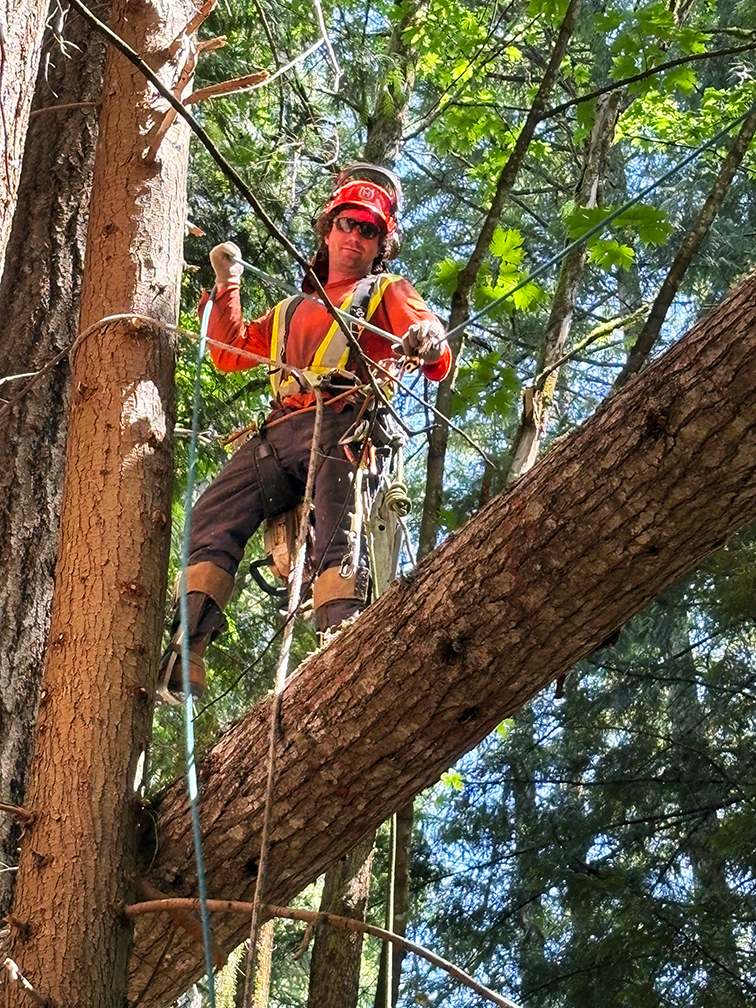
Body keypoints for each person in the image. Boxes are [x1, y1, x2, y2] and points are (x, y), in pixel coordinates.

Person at [159, 164, 452, 701]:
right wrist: (228, 283)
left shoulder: (386, 290)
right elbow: (229, 351)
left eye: (369, 231)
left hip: (343, 421)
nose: (356, 237)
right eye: (348, 224)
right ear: (327, 229)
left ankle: (341, 648)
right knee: (211, 516)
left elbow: (435, 350)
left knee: (338, 535)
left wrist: (426, 338)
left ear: (381, 244)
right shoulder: (292, 308)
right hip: (277, 433)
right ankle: (187, 650)